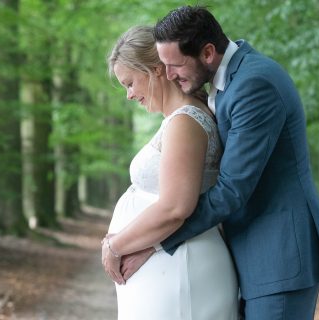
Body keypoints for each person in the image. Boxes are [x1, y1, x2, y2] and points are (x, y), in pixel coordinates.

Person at [110, 5, 319, 320]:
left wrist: (154, 242)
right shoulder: (226, 83)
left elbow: (232, 189)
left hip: (278, 255)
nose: (169, 75)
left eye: (174, 66)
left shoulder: (254, 84)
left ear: (207, 53)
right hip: (247, 253)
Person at [102, 25, 239, 319]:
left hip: (183, 266)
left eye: (129, 83)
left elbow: (175, 208)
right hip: (173, 266)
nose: (129, 95)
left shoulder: (185, 122)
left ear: (156, 70)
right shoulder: (179, 120)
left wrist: (115, 246)